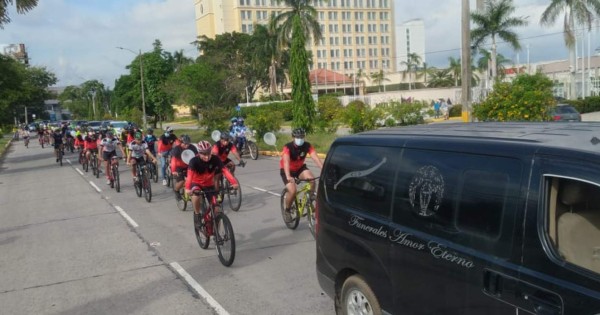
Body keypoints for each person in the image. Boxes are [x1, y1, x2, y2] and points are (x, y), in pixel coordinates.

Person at [186, 140, 239, 228]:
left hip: (209, 184)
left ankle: (216, 231)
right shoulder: (194, 161)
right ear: (199, 153)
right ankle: (197, 214)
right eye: (204, 154)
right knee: (195, 195)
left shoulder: (215, 159)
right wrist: (188, 188)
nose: (207, 157)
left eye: (208, 153)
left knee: (217, 210)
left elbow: (225, 171)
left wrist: (233, 182)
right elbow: (189, 176)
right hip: (196, 183)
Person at [280, 128, 323, 222]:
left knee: (312, 179)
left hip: (299, 168)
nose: (300, 139)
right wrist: (288, 176)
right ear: (293, 137)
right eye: (298, 137)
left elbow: (315, 158)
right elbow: (286, 162)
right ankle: (287, 210)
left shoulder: (307, 146)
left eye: (302, 137)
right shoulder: (288, 147)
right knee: (292, 190)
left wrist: (323, 169)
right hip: (287, 171)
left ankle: (310, 200)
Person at [170, 134, 198, 200]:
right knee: (181, 181)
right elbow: (173, 160)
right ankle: (176, 191)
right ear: (181, 143)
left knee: (195, 179)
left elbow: (197, 156)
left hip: (189, 165)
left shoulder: (192, 147)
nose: (187, 146)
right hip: (179, 167)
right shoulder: (177, 149)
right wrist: (173, 170)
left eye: (188, 144)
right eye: (185, 144)